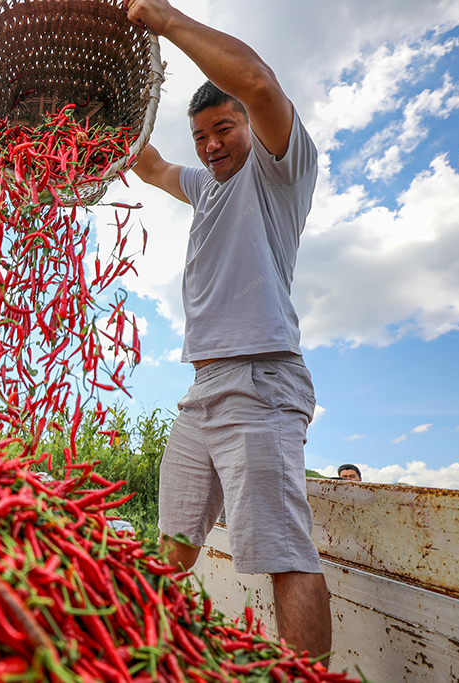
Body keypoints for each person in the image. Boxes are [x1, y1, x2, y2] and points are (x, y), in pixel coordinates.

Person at [126, 0, 331, 664]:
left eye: (224, 128)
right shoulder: (207, 186)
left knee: (282, 549)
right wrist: (105, 117)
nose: (212, 145)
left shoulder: (278, 169)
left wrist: (165, 20)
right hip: (203, 387)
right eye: (203, 136)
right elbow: (150, 166)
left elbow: (261, 83)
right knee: (175, 541)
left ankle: (301, 676)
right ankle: (144, 658)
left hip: (261, 379)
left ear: (249, 125)